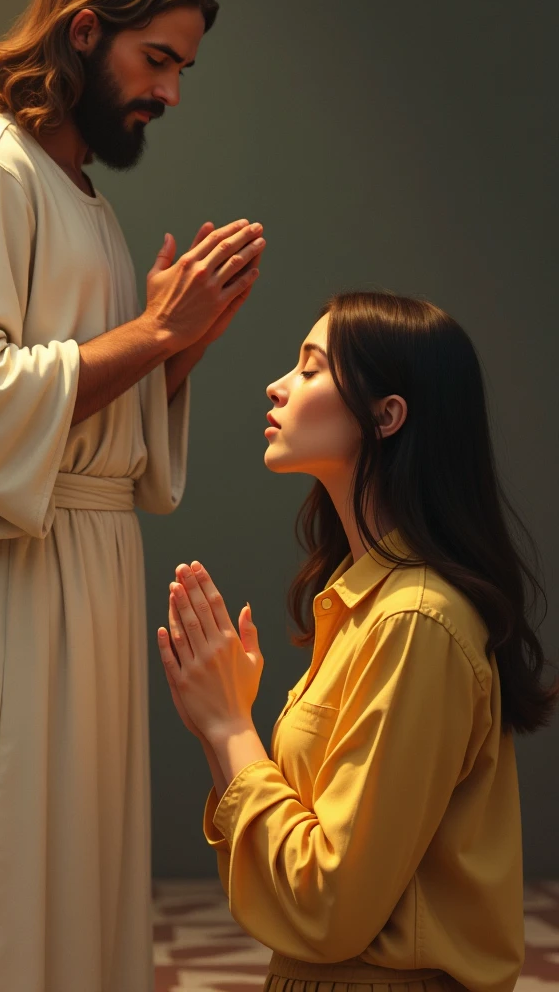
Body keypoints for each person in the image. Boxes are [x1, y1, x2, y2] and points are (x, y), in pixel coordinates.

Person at [0, 0, 266, 990]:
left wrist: (171, 350)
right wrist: (149, 332)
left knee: (80, 880)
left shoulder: (83, 199)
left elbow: (92, 426)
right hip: (18, 570)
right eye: (158, 61)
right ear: (86, 30)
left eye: (184, 70)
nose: (172, 93)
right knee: (9, 890)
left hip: (89, 570)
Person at [158, 291, 558, 992]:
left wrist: (229, 727)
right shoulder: (362, 603)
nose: (278, 385)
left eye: (311, 369)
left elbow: (327, 906)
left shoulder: (416, 623)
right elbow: (286, 888)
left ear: (387, 414)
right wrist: (219, 725)